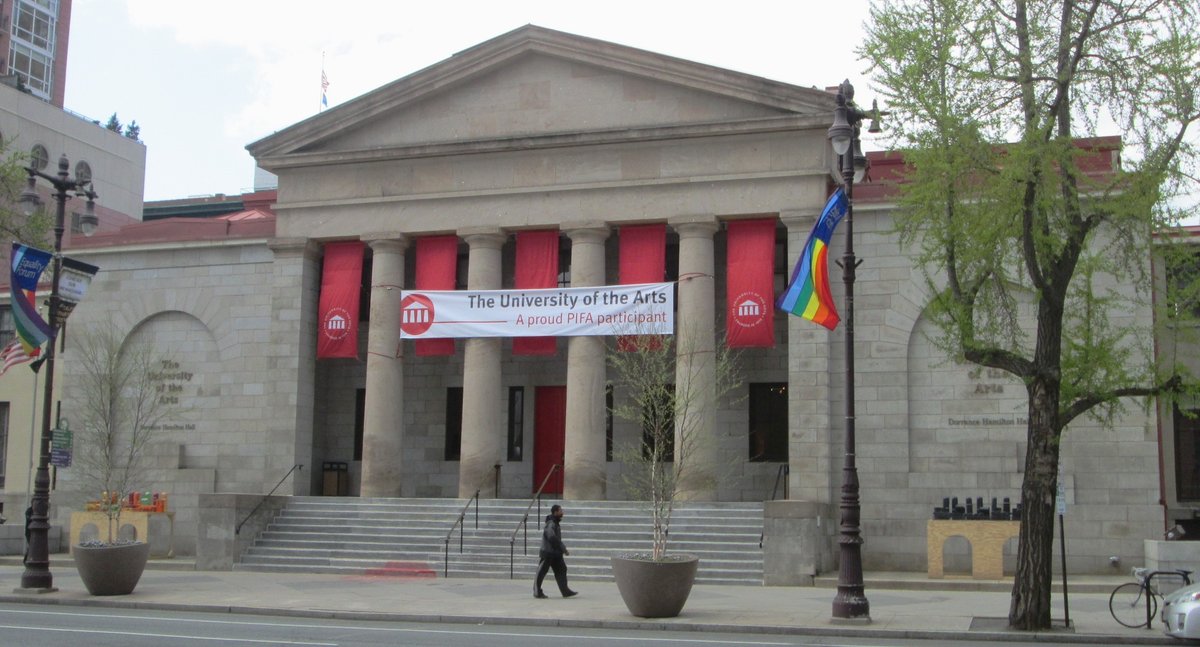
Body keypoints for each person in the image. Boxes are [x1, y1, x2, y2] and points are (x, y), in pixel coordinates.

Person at [534, 504, 577, 599]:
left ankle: (565, 591)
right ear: (555, 512)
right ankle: (537, 591)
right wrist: (562, 548)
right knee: (541, 572)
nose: (562, 512)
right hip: (548, 553)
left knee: (562, 569)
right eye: (560, 510)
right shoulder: (551, 523)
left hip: (556, 554)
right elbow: (551, 536)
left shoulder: (556, 523)